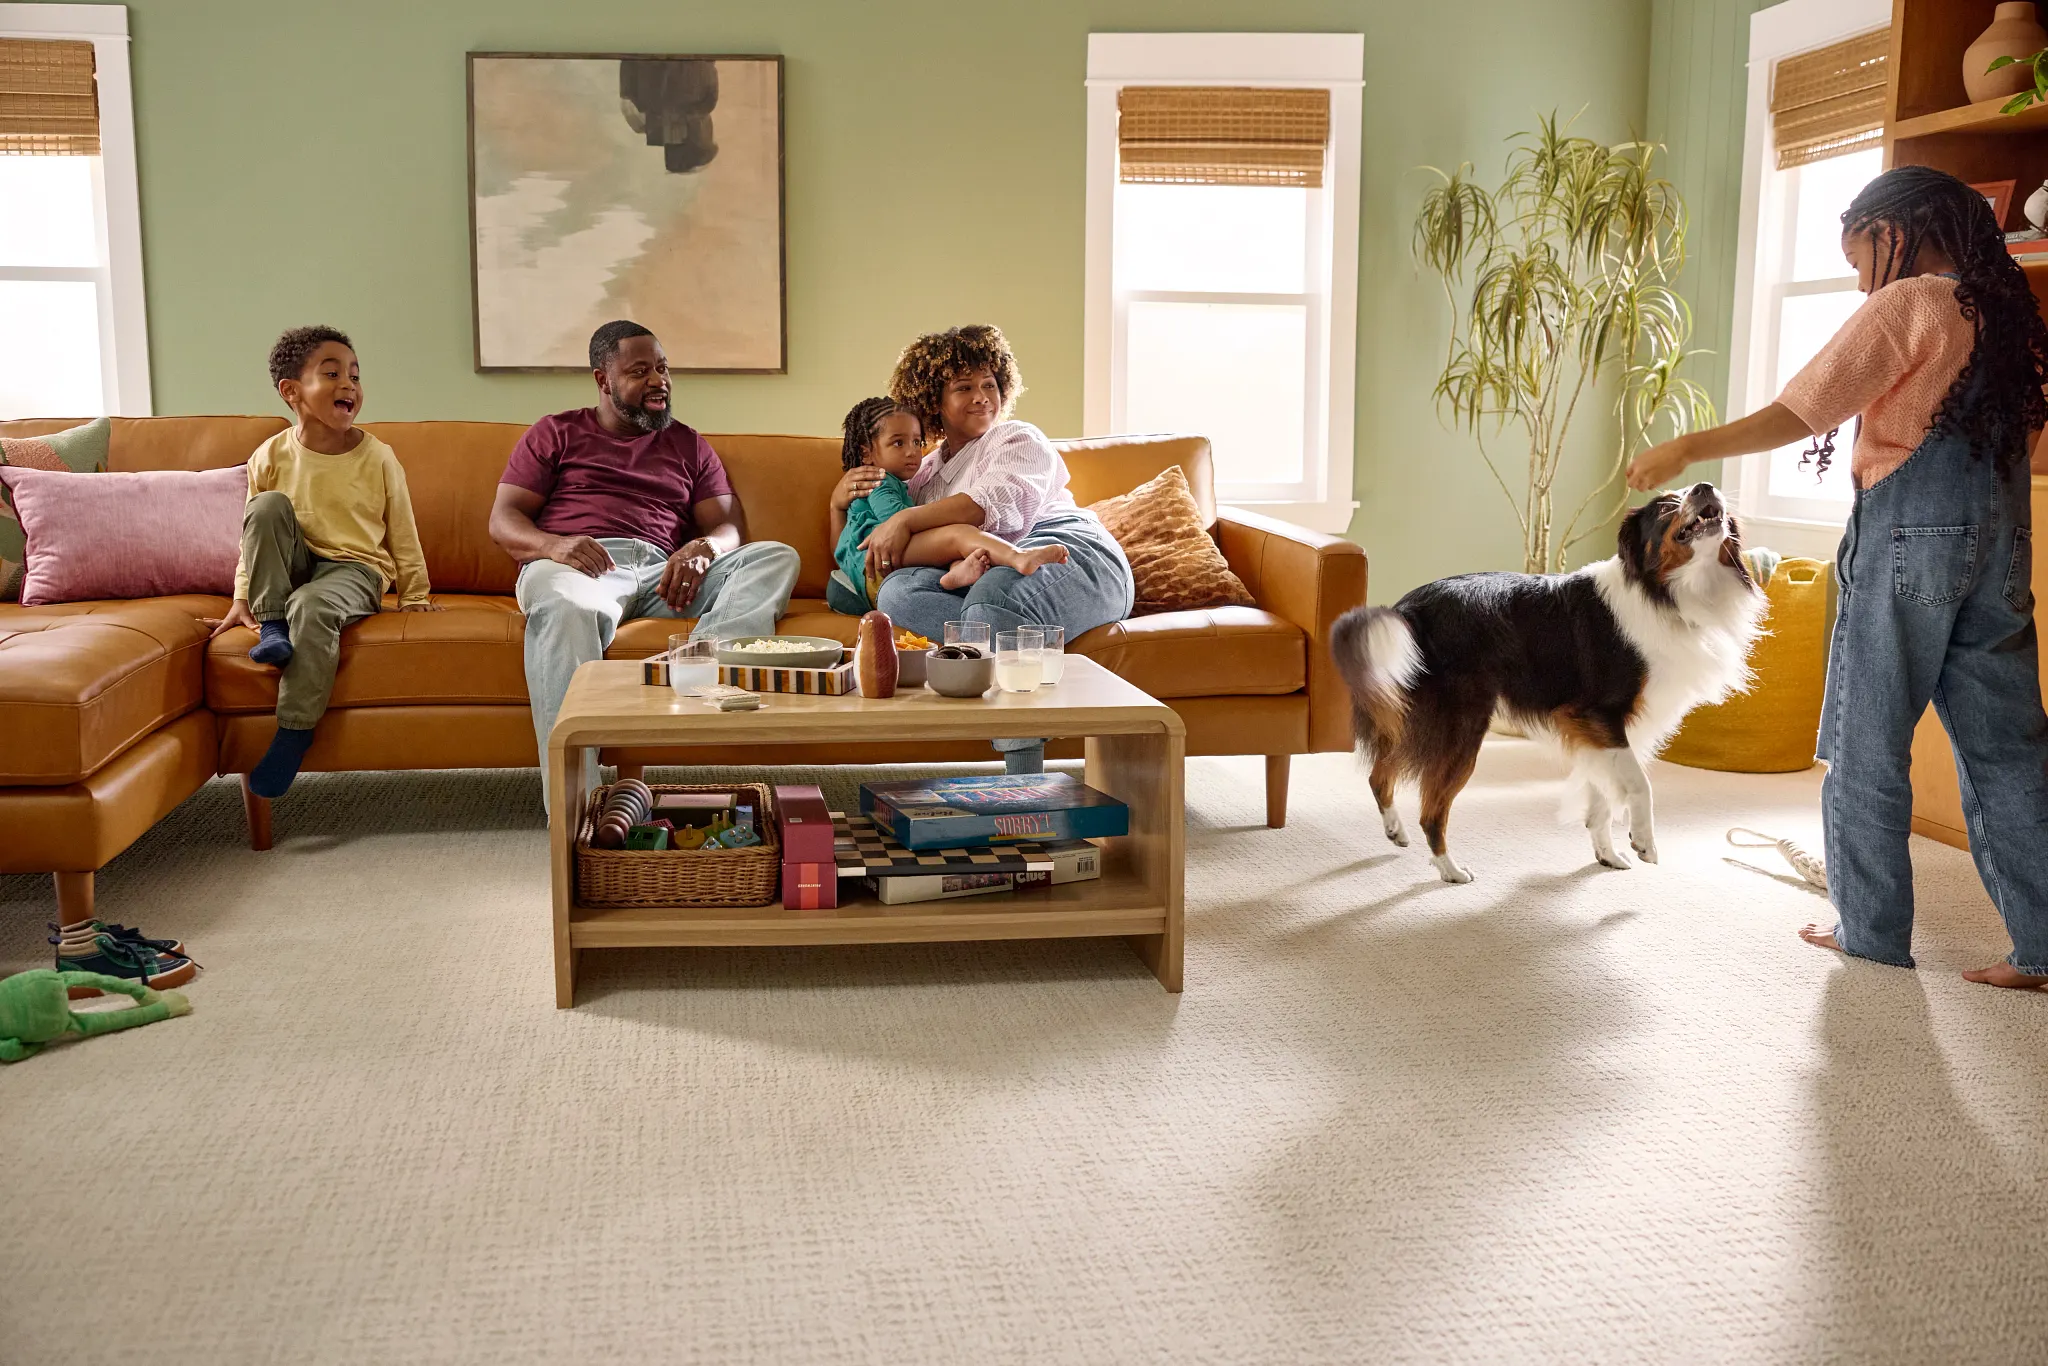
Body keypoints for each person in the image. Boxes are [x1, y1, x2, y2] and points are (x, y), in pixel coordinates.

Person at [1626, 165, 2048, 992]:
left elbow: (1806, 408)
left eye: (1860, 255)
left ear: (1895, 232)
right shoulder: (2006, 313)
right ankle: (2042, 944)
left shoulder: (1909, 303)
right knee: (2010, 748)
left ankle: (1873, 933)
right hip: (2002, 539)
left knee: (1867, 741)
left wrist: (1686, 449)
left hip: (1906, 539)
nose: (1861, 278)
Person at [490, 320, 801, 811]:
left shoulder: (689, 444)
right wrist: (555, 546)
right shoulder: (556, 432)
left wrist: (703, 549)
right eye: (640, 371)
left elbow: (730, 529)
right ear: (602, 379)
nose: (659, 380)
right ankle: (579, 812)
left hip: (664, 574)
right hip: (580, 566)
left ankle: (700, 665)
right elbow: (504, 520)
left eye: (662, 368)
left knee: (776, 556)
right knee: (566, 609)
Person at [836, 325, 1133, 772]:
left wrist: (905, 519)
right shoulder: (926, 471)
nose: (982, 397)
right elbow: (888, 550)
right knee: (898, 593)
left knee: (990, 596)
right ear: (932, 399)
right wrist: (837, 501)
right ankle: (1016, 682)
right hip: (987, 565)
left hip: (1070, 552)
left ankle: (1022, 776)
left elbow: (986, 512)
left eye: (989, 385)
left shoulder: (1017, 438)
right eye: (964, 387)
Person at [207, 325, 438, 798]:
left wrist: (415, 595)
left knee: (312, 606)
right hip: (291, 566)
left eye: (354, 374)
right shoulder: (269, 455)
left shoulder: (377, 456)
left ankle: (294, 731)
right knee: (266, 507)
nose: (349, 384)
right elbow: (254, 536)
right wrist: (241, 597)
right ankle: (273, 627)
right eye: (331, 373)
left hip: (354, 570)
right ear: (291, 391)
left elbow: (403, 530)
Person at [827, 395, 1067, 615]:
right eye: (899, 443)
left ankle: (955, 574)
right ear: (866, 453)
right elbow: (898, 520)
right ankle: (1018, 557)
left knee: (949, 544)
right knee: (958, 534)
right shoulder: (879, 482)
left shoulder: (906, 481)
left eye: (917, 442)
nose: (912, 452)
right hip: (879, 564)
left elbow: (842, 550)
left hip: (870, 570)